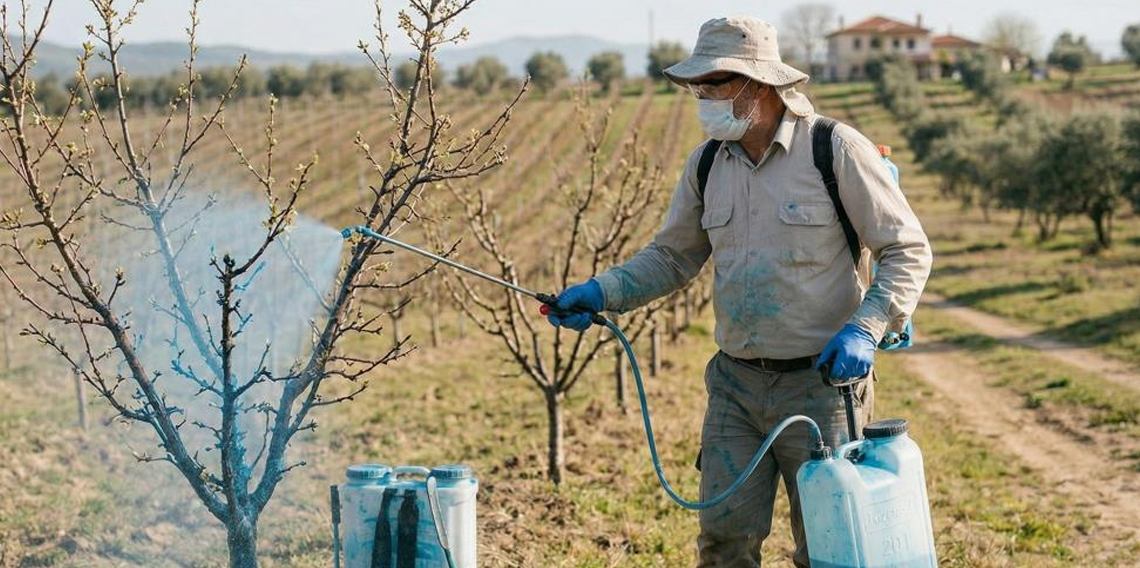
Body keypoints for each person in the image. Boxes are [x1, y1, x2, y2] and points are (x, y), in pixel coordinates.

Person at [544, 15, 933, 568]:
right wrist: (601, 292)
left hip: (823, 388)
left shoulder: (834, 150)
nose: (701, 97)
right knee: (724, 544)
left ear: (759, 83)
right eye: (696, 86)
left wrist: (865, 329)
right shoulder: (706, 164)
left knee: (831, 546)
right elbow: (673, 257)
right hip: (736, 388)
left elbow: (906, 248)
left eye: (714, 84)